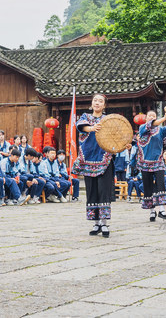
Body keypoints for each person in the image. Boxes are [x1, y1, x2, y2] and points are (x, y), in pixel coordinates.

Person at [73, 93, 116, 237]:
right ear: (92, 104)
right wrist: (92, 128)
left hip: (104, 159)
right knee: (91, 192)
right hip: (88, 160)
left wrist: (124, 144)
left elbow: (116, 136)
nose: (97, 103)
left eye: (100, 101)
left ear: (104, 105)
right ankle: (96, 223)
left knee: (104, 191)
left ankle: (104, 224)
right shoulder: (85, 117)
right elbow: (81, 126)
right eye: (95, 100)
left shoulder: (108, 120)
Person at [136, 110, 166, 222]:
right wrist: (165, 117)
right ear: (146, 118)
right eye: (150, 116)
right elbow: (152, 124)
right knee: (148, 187)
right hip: (145, 164)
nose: (152, 117)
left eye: (154, 116)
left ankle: (162, 210)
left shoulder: (160, 130)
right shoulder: (142, 128)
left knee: (161, 184)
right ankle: (152, 211)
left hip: (158, 162)